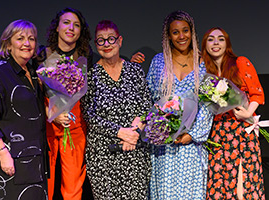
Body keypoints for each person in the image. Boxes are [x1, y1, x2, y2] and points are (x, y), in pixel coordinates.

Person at [0, 19, 48, 199]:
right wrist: (2, 153)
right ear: (8, 43)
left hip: (32, 162)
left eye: (31, 39)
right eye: (20, 38)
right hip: (9, 164)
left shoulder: (31, 73)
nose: (27, 43)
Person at [146, 10, 213, 199]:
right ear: (168, 35)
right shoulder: (159, 62)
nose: (181, 36)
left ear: (192, 32)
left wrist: (191, 134)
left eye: (185, 30)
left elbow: (208, 104)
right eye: (175, 32)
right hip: (164, 145)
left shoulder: (202, 62)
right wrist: (159, 128)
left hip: (191, 145)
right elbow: (150, 99)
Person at [82, 20, 152, 199]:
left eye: (111, 39)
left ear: (120, 41)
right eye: (101, 40)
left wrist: (134, 132)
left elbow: (146, 104)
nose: (106, 44)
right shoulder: (90, 75)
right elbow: (88, 114)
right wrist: (121, 132)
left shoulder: (134, 70)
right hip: (103, 156)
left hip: (134, 151)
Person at [34, 7, 92, 200]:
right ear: (57, 27)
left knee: (73, 184)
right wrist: (51, 114)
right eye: (66, 23)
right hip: (48, 124)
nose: (71, 28)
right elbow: (31, 94)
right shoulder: (41, 55)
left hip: (74, 125)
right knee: (44, 180)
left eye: (76, 25)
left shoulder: (86, 56)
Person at [202, 27, 265, 199]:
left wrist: (248, 113)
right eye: (211, 39)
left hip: (241, 131)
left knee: (241, 184)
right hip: (217, 133)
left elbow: (257, 93)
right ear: (204, 44)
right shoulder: (204, 71)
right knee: (219, 183)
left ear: (227, 43)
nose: (216, 42)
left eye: (221, 39)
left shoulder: (240, 63)